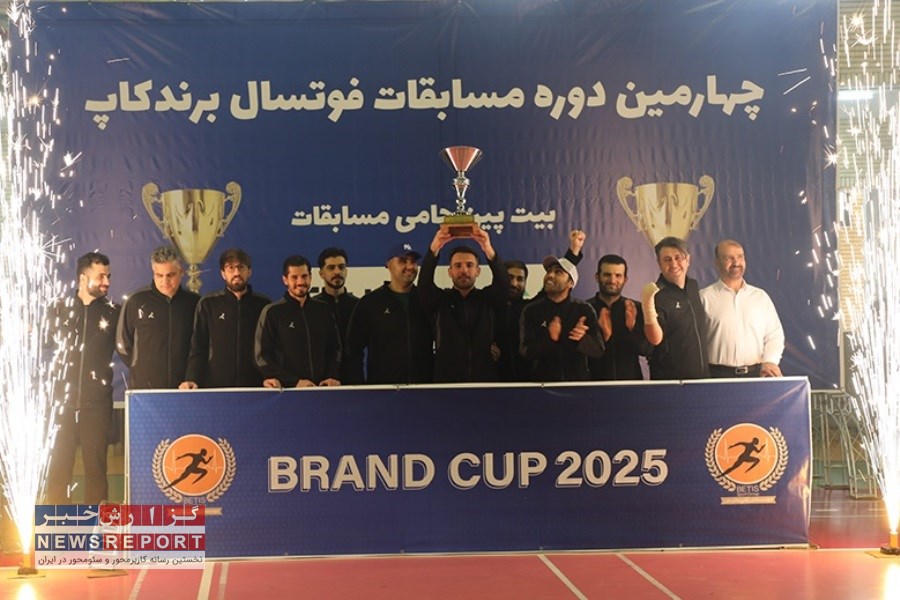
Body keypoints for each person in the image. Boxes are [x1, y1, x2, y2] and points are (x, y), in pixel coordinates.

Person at [46, 252, 121, 504]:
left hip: (97, 405)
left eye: (108, 276)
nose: (107, 282)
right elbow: (39, 346)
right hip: (60, 405)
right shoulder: (58, 309)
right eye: (101, 276)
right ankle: (56, 523)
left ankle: (97, 524)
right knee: (58, 468)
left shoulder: (115, 312)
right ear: (82, 278)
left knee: (96, 470)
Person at [495, 229, 587, 382]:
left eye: (520, 279)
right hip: (496, 381)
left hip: (529, 381)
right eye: (509, 277)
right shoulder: (488, 307)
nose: (514, 283)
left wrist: (574, 250)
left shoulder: (530, 309)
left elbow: (557, 281)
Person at [418, 227, 509, 382]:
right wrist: (434, 248)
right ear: (450, 272)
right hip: (447, 384)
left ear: (478, 271)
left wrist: (487, 248)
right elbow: (424, 284)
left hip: (484, 381)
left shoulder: (487, 299)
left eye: (469, 265)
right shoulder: (440, 300)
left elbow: (503, 284)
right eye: (458, 265)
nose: (464, 270)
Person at [180, 248, 271, 389]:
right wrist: (192, 378)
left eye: (241, 267)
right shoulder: (208, 304)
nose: (236, 273)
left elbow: (270, 349)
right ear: (223, 273)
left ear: (249, 272)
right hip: (216, 387)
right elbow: (198, 346)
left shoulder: (264, 305)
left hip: (256, 387)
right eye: (230, 268)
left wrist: (270, 376)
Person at [344, 242, 434, 384]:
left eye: (413, 262)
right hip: (382, 391)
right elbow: (352, 350)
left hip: (424, 390)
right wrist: (359, 387)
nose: (410, 266)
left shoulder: (427, 300)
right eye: (403, 261)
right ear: (389, 265)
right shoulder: (370, 303)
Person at [116, 245, 200, 389]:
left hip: (184, 388)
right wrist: (142, 370)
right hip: (144, 390)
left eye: (170, 275)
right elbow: (123, 344)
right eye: (159, 275)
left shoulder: (195, 303)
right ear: (153, 273)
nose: (165, 282)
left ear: (181, 272)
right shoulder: (135, 301)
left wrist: (191, 377)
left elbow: (200, 347)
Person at [700, 239, 785, 378]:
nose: (736, 263)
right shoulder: (704, 298)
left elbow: (774, 334)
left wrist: (770, 361)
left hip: (756, 375)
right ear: (717, 262)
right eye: (728, 258)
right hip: (716, 376)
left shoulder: (760, 297)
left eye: (740, 257)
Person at [254, 255, 341, 388]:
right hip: (288, 391)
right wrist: (294, 382)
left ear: (310, 277)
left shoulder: (323, 310)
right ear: (285, 280)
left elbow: (335, 348)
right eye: (294, 277)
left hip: (322, 389)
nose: (300, 282)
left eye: (304, 276)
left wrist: (331, 376)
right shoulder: (272, 312)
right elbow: (261, 356)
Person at [519, 256, 604, 381]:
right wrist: (550, 340)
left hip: (577, 385)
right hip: (543, 386)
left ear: (571, 283)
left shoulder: (584, 309)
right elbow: (525, 351)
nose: (550, 275)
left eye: (558, 272)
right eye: (549, 271)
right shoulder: (531, 310)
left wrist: (582, 339)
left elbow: (598, 350)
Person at [641, 237, 709, 380]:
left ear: (688, 260)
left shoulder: (693, 286)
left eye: (678, 258)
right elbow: (655, 339)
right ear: (659, 263)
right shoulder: (656, 294)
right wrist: (648, 307)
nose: (673, 264)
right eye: (667, 259)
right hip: (671, 382)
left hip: (701, 379)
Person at [586, 254, 653, 380]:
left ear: (625, 279)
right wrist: (601, 335)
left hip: (630, 385)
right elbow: (578, 354)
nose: (612, 280)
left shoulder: (637, 308)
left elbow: (646, 350)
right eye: (607, 275)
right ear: (597, 277)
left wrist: (632, 328)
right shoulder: (585, 309)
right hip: (594, 385)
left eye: (618, 275)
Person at [313, 247, 359, 383]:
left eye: (341, 267)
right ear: (321, 273)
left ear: (347, 271)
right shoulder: (312, 307)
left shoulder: (359, 305)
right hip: (321, 381)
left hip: (354, 381)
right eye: (331, 268)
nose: (337, 272)